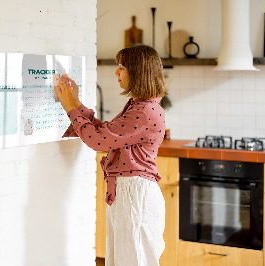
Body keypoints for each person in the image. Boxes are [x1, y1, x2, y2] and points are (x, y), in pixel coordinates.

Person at [55, 44, 167, 266]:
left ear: (138, 72)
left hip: (135, 195)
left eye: (122, 67)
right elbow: (106, 133)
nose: (116, 72)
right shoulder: (140, 106)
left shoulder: (144, 111)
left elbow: (98, 141)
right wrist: (76, 103)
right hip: (130, 193)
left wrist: (70, 108)